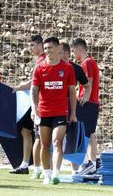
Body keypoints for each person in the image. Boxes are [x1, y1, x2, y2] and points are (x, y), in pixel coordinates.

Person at [31, 36, 77, 185]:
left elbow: (72, 92)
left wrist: (73, 113)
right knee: (44, 144)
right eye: (45, 49)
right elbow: (34, 90)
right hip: (43, 112)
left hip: (60, 112)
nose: (47, 51)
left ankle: (56, 173)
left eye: (50, 48)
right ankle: (46, 173)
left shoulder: (67, 68)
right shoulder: (39, 68)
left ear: (58, 49)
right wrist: (34, 107)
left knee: (57, 141)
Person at [11, 34, 45, 177]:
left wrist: (19, 87)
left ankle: (43, 168)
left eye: (32, 45)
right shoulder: (39, 59)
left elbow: (34, 83)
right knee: (26, 131)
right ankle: (26, 165)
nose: (29, 48)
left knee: (42, 136)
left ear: (39, 45)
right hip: (34, 102)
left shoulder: (43, 60)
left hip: (40, 103)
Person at [60, 42, 92, 174]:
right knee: (57, 138)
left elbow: (87, 85)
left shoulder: (76, 69)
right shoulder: (53, 66)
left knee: (71, 137)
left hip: (70, 105)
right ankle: (49, 171)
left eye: (59, 51)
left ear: (67, 53)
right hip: (55, 104)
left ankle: (77, 168)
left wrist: (85, 97)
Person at [71, 38, 100, 175]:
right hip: (91, 102)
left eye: (73, 51)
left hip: (87, 102)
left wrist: (84, 98)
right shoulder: (91, 62)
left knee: (86, 135)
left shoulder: (87, 63)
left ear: (79, 49)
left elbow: (88, 82)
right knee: (90, 134)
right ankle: (91, 163)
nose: (73, 54)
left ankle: (90, 163)